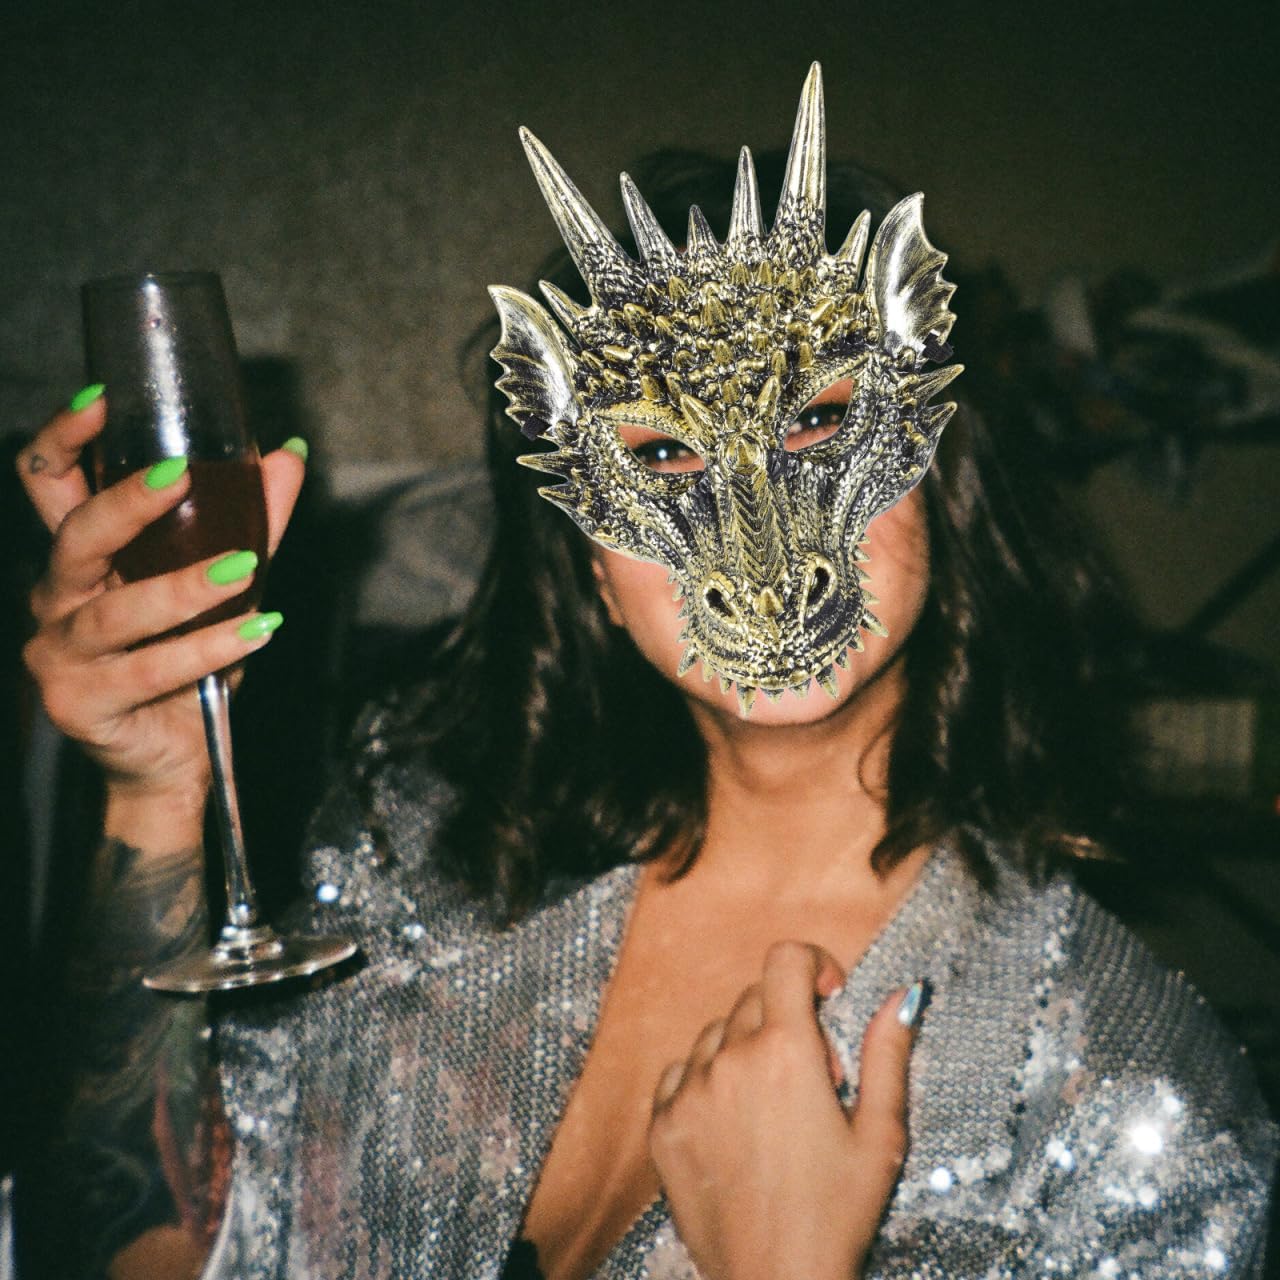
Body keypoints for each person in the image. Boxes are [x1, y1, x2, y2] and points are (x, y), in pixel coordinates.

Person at [14, 129, 1277, 1280]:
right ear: (590, 564)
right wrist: (157, 790)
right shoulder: (423, 861)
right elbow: (150, 1249)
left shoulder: (1133, 1108)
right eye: (662, 451)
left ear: (936, 481)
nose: (752, 529)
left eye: (817, 419)